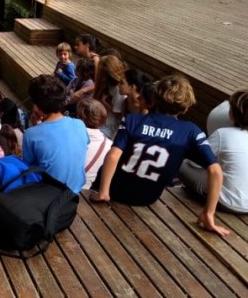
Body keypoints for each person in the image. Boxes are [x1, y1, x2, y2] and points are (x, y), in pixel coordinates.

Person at [90, 75, 230, 236]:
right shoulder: (191, 131)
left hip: (116, 190)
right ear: (185, 108)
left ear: (155, 99)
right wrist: (209, 212)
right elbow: (215, 171)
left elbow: (113, 156)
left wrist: (104, 192)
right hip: (148, 198)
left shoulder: (132, 120)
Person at [178, 90, 248, 213]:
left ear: (233, 114)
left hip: (228, 203)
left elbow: (195, 162)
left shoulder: (222, 134)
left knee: (180, 162)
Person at [22, 75, 89, 194]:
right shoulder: (79, 124)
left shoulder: (30, 134)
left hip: (48, 194)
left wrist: (35, 126)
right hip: (74, 191)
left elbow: (29, 167)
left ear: (36, 106)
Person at [76, 98, 111, 190]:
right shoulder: (109, 145)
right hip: (85, 190)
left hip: (59, 186)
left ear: (80, 116)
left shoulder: (69, 134)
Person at [93, 55, 127, 139]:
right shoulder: (109, 85)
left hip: (109, 126)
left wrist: (104, 102)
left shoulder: (119, 90)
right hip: (103, 120)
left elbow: (117, 113)